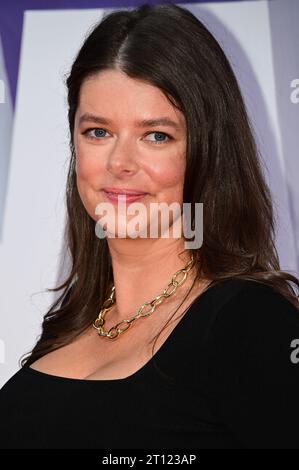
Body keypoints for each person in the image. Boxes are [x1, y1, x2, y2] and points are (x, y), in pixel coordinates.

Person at [0, 2, 299, 449]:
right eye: (98, 131)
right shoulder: (68, 327)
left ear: (207, 151)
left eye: (156, 135)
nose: (120, 163)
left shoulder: (251, 322)